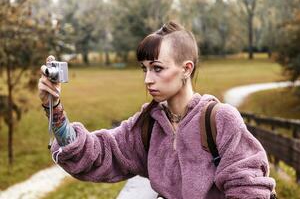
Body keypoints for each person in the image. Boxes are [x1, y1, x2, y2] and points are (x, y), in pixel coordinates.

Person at [38, 21, 276, 199]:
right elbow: (98, 153)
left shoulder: (220, 120)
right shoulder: (148, 124)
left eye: (157, 68)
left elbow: (249, 189)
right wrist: (55, 109)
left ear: (186, 69)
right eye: (144, 69)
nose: (148, 80)